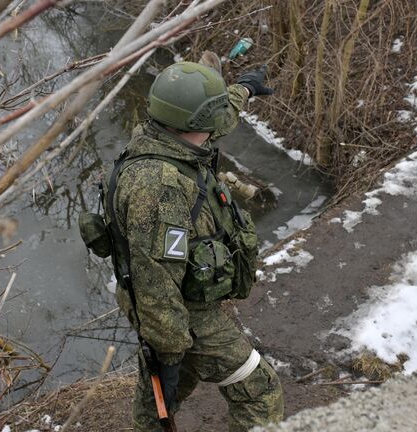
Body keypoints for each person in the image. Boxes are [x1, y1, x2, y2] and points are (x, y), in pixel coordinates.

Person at [106, 59, 283, 431]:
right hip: (182, 313)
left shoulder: (169, 136)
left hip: (179, 309)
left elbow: (218, 119)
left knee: (161, 402)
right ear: (193, 123)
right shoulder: (159, 186)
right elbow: (153, 282)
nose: (217, 125)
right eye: (210, 117)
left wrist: (245, 89)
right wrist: (169, 348)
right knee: (259, 392)